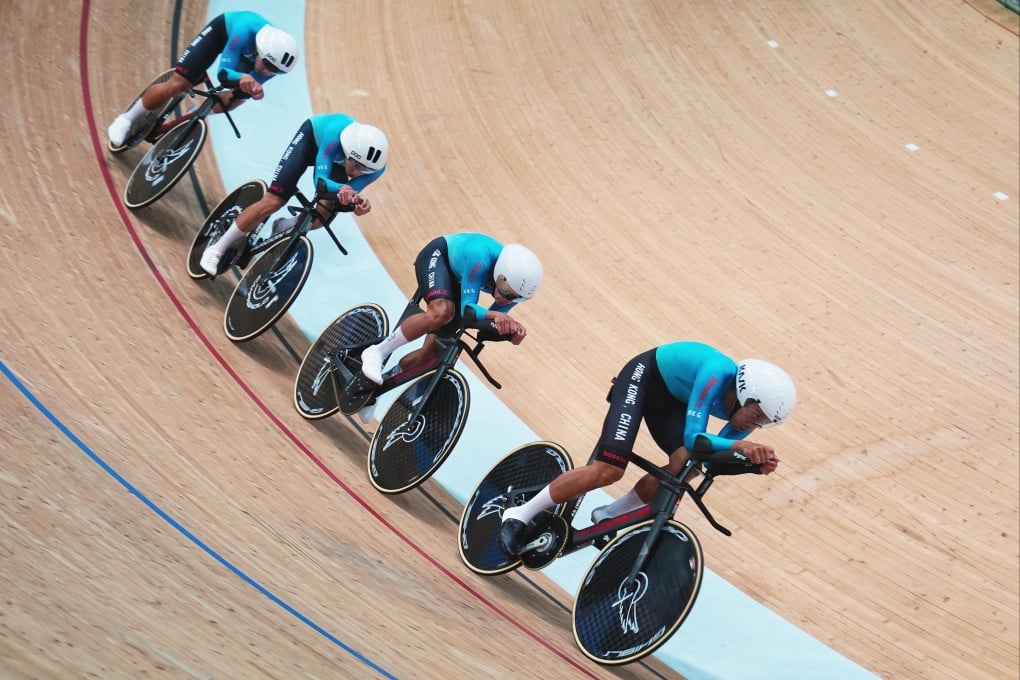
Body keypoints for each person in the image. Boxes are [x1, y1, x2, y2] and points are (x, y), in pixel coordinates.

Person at [498, 342, 796, 556]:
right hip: (643, 379)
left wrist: (750, 465)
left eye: (764, 422)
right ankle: (519, 514)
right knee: (609, 469)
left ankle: (608, 515)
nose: (755, 424)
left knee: (689, 465)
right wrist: (741, 446)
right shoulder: (716, 373)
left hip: (674, 401)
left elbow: (711, 460)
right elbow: (694, 438)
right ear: (744, 394)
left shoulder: (749, 415)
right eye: (756, 415)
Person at [357, 234, 542, 418]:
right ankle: (377, 351)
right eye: (507, 293)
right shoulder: (480, 256)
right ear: (501, 274)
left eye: (517, 298)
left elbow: (486, 324)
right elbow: (468, 308)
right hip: (439, 256)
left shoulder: (513, 287)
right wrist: (497, 316)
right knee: (441, 312)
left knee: (434, 352)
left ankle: (375, 390)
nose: (508, 300)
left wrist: (510, 332)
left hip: (460, 280)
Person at [198, 113, 388, 276]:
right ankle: (217, 249)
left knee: (321, 217)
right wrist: (342, 189)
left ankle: (282, 226)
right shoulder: (334, 134)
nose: (357, 173)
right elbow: (320, 181)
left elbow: (349, 191)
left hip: (337, 162)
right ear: (347, 151)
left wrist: (355, 204)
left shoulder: (376, 168)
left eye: (365, 170)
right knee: (273, 201)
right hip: (311, 141)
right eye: (355, 165)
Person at [108, 11, 299, 147]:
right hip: (221, 34)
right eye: (267, 65)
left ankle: (197, 113)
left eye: (275, 71)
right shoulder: (244, 30)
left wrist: (250, 89)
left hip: (247, 57)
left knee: (237, 99)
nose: (267, 71)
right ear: (262, 51)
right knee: (177, 85)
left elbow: (242, 88)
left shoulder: (273, 63)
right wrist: (242, 76)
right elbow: (223, 74)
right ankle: (126, 119)